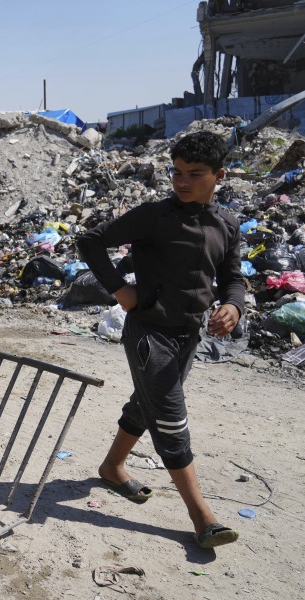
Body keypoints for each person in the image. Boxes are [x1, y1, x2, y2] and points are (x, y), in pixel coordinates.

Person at [76, 131, 245, 550]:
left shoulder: (226, 224)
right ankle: (202, 517)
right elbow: (91, 241)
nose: (182, 182)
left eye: (195, 174)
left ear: (219, 176)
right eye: (177, 172)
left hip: (188, 334)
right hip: (149, 334)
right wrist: (120, 289)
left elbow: (234, 278)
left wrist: (234, 306)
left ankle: (113, 466)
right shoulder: (154, 215)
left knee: (147, 403)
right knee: (170, 418)